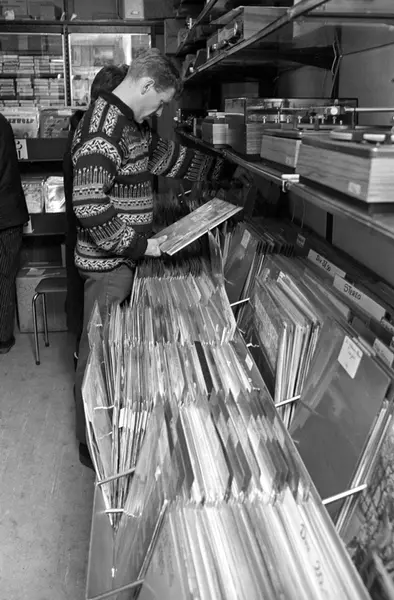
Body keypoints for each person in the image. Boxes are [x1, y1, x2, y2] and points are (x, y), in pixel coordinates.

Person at [72, 48, 232, 468]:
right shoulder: (103, 129)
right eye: (160, 101)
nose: (160, 110)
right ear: (145, 85)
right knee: (99, 353)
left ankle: (104, 438)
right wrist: (140, 247)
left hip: (122, 261)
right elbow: (88, 205)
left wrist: (224, 170)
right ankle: (94, 446)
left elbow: (169, 157)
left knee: (109, 348)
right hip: (110, 267)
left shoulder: (129, 125)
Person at [64, 65, 129, 372]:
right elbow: (90, 204)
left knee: (91, 327)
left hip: (83, 242)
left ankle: (83, 354)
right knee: (95, 343)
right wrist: (135, 243)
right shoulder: (96, 135)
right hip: (97, 251)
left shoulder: (82, 127)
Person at [0, 113, 29, 354]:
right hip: (10, 212)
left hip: (7, 212)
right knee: (6, 276)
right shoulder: (3, 123)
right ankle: (3, 338)